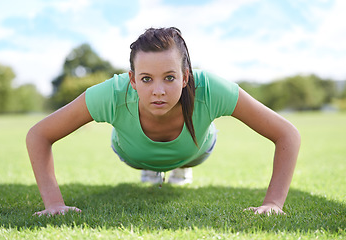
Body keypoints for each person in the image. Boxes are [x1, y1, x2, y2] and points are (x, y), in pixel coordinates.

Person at [26, 27, 301, 216]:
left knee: (190, 153)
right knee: (141, 156)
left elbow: (287, 134)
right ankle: (153, 168)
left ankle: (179, 168)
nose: (158, 90)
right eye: (146, 79)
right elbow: (39, 134)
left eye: (169, 77)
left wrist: (274, 203)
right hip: (132, 154)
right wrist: (53, 203)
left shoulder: (211, 89)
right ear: (133, 80)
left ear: (185, 77)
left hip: (196, 151)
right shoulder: (112, 93)